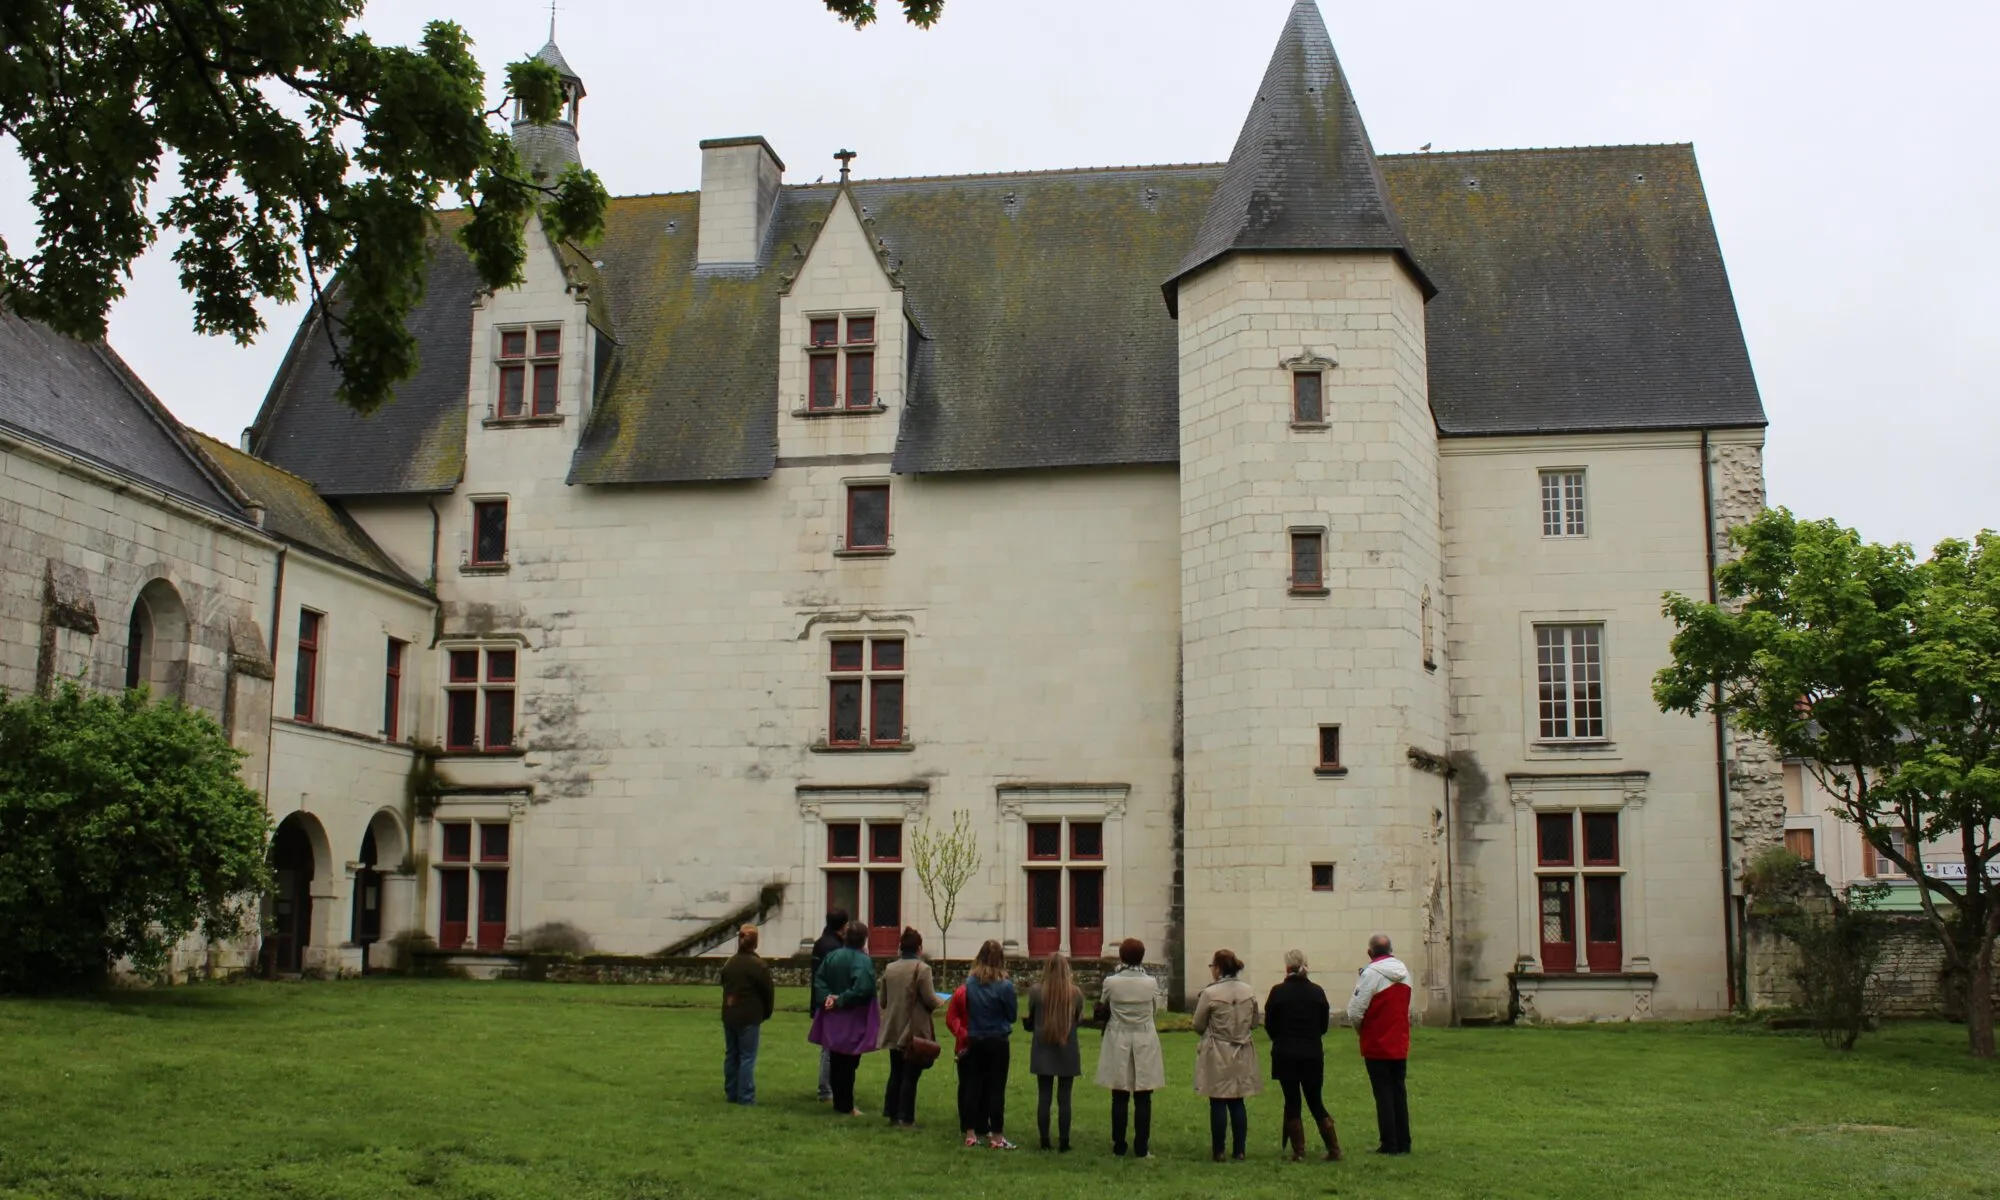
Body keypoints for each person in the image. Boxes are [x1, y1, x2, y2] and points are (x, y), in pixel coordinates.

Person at [1265, 948, 1341, 1161]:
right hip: (1312, 1054)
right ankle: (1334, 1150)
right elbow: (1323, 1026)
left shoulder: (1278, 992)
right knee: (1316, 1101)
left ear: (1286, 967)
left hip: (1285, 1053)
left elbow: (1270, 1025)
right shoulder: (1317, 991)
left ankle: (1299, 1152)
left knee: (1292, 1101)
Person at [1095, 936, 1165, 1158]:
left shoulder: (1111, 982)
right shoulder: (1151, 983)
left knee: (1120, 1093)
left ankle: (1119, 1146)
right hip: (1144, 1036)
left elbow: (1104, 1003)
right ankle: (1142, 1148)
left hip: (1118, 1036)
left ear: (1121, 956)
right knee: (1144, 1095)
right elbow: (1155, 1010)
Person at [1346, 933, 1413, 1156]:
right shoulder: (1405, 973)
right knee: (1399, 1092)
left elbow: (1356, 1010)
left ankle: (1389, 1143)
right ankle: (1404, 1141)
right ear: (1391, 950)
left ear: (1370, 952)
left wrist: (1361, 1031)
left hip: (1377, 1041)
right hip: (1399, 1040)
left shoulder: (1370, 974)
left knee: (1383, 1094)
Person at [1193, 947, 1261, 1162]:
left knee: (1218, 1101)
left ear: (1219, 968)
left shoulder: (1210, 993)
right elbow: (1255, 1022)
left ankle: (1219, 1150)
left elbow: (1197, 1023)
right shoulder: (1248, 991)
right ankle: (1240, 1150)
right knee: (1237, 1101)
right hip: (1242, 1048)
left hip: (1218, 1050)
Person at [809, 921, 880, 1116]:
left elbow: (819, 979)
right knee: (849, 1062)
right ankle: (846, 1105)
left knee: (836, 1057)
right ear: (864, 939)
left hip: (833, 1015)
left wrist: (827, 998)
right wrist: (841, 999)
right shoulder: (863, 961)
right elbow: (863, 988)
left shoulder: (832, 957)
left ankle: (839, 1101)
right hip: (853, 1016)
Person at [877, 926, 941, 1128]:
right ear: (919, 948)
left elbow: (883, 999)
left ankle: (892, 1113)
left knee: (895, 1071)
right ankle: (907, 1117)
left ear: (900, 948)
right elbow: (930, 1000)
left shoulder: (890, 969)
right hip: (913, 1029)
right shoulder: (922, 969)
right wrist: (941, 1001)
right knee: (910, 1075)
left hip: (893, 1027)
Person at [961, 939, 1019, 1149]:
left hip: (976, 1037)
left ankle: (970, 1132)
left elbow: (968, 1009)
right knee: (996, 1088)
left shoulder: (970, 983)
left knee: (973, 1085)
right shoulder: (1005, 986)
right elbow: (1012, 1015)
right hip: (998, 1039)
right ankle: (996, 1135)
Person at [1023, 952, 1083, 1151]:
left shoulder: (1036, 992)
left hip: (1043, 1046)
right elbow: (1078, 1019)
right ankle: (1064, 1142)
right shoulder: (1075, 993)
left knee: (1044, 1096)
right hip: (1067, 1046)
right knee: (1065, 1098)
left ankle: (1044, 1141)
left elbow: (1031, 1019)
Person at [718, 924, 775, 1106]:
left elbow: (724, 984)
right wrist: (766, 1012)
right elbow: (768, 992)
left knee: (731, 1054)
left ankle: (732, 1092)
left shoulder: (730, 963)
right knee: (747, 1057)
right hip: (750, 1016)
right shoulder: (758, 966)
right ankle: (746, 1096)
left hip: (729, 1013)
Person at [810, 908, 850, 1102]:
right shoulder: (835, 948)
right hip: (831, 1001)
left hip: (821, 999)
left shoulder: (820, 943)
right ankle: (826, 1089)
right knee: (830, 1047)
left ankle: (829, 1086)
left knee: (829, 1046)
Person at [944, 978, 976, 1147]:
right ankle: (974, 1122)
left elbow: (951, 1018)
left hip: (964, 1043)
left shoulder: (961, 992)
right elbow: (951, 1018)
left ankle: (967, 1123)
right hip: (971, 1043)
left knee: (966, 1085)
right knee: (970, 1085)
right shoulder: (963, 993)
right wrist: (963, 1034)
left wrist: (961, 1033)